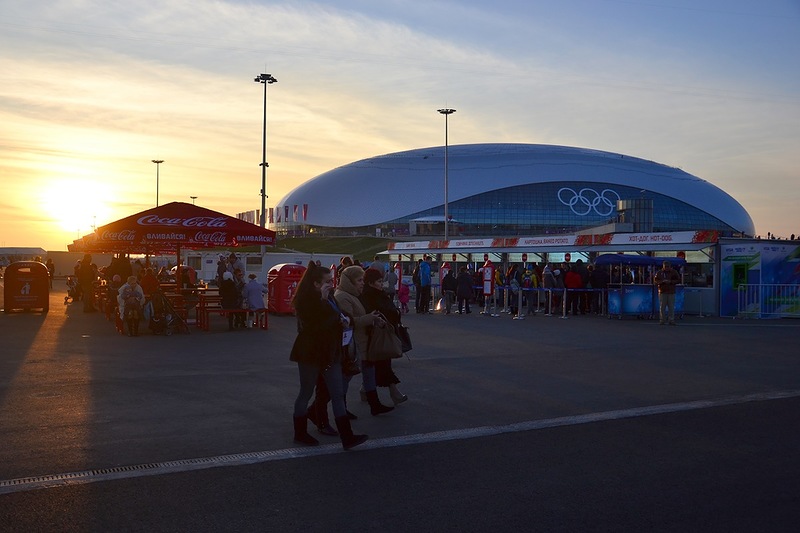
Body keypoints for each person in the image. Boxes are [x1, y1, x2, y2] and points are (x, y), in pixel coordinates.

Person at [290, 262, 368, 450]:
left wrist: (346, 320)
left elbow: (341, 315)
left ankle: (347, 436)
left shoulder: (330, 298)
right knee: (306, 392)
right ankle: (300, 433)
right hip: (310, 352)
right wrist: (324, 303)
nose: (330, 284)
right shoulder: (306, 300)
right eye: (326, 281)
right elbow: (315, 326)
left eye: (331, 280)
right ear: (316, 284)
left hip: (330, 352)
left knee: (337, 392)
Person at [335, 265, 394, 416]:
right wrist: (369, 319)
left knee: (369, 372)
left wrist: (373, 320)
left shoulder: (354, 294)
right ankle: (342, 408)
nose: (362, 282)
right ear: (350, 281)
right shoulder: (343, 296)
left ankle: (375, 404)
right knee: (347, 377)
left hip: (363, 341)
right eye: (359, 280)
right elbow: (347, 321)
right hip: (353, 344)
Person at [361, 267, 407, 404]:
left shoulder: (378, 294)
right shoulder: (370, 296)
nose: (382, 284)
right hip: (378, 334)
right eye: (379, 281)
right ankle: (394, 393)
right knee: (383, 364)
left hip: (384, 332)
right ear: (370, 283)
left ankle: (365, 390)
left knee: (378, 365)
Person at [654, 260, 681, 325]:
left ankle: (671, 320)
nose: (666, 268)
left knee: (671, 307)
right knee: (662, 307)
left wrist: (671, 282)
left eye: (668, 266)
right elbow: (655, 280)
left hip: (671, 291)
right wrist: (662, 282)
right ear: (663, 266)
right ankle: (662, 320)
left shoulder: (674, 272)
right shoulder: (659, 273)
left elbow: (678, 280)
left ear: (670, 266)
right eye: (665, 266)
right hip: (662, 291)